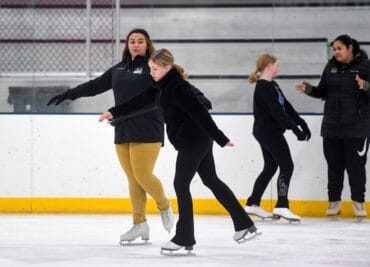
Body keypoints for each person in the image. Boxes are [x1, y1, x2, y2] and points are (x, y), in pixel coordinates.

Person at [99, 48, 259, 253]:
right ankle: (244, 224)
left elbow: (201, 113)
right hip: (196, 140)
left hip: (194, 141)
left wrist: (220, 138)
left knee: (180, 184)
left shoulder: (178, 88)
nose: (151, 72)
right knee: (211, 180)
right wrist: (113, 112)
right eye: (150, 68)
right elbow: (139, 102)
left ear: (167, 68)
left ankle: (184, 237)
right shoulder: (161, 86)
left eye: (155, 69)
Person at [47, 28, 174, 244]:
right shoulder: (119, 69)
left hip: (147, 127)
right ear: (127, 45)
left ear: (147, 44)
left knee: (143, 175)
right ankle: (139, 223)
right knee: (133, 178)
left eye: (140, 41)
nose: (135, 44)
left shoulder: (152, 68)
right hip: (122, 127)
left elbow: (154, 99)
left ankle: (164, 205)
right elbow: (95, 86)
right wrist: (69, 94)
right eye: (132, 41)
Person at [296, 34, 370, 220]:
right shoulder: (331, 67)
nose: (336, 52)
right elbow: (323, 91)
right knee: (334, 167)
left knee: (356, 168)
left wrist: (366, 86)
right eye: (334, 49)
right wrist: (309, 89)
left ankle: (358, 204)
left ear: (350, 48)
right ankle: (333, 203)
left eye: (339, 48)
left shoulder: (365, 66)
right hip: (331, 127)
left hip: (357, 128)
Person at [245, 53, 311, 222]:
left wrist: (301, 122)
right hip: (268, 132)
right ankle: (282, 205)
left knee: (270, 167)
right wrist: (295, 130)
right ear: (268, 65)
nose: (278, 68)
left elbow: (286, 106)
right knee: (287, 165)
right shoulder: (262, 87)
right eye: (276, 65)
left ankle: (253, 203)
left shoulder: (272, 85)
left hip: (267, 131)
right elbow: (276, 112)